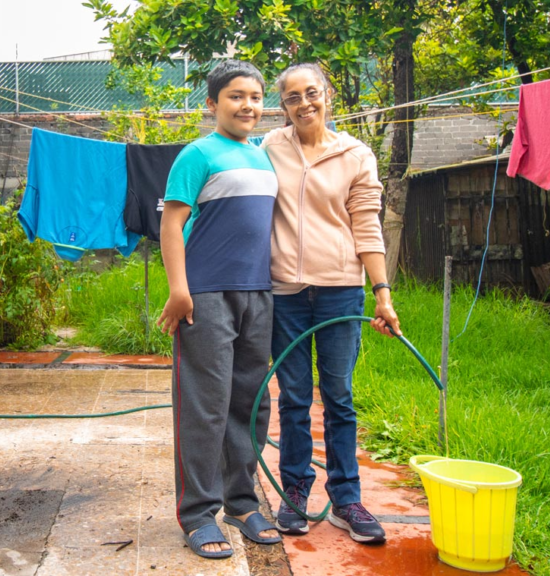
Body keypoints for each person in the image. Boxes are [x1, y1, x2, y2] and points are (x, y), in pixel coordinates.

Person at [261, 62, 401, 545]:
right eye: (293, 97)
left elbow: (367, 224)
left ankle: (346, 498)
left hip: (341, 289)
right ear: (282, 106)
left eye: (312, 93)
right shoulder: (269, 149)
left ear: (328, 96)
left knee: (338, 396)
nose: (304, 104)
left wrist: (381, 293)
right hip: (285, 293)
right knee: (295, 398)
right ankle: (295, 492)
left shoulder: (355, 154)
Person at [156, 60, 281, 559]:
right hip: (206, 294)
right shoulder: (198, 153)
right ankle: (197, 514)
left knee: (251, 403)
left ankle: (243, 503)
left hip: (259, 294)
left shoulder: (263, 157)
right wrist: (178, 289)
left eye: (254, 96)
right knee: (205, 406)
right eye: (235, 96)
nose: (247, 104)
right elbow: (171, 223)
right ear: (211, 104)